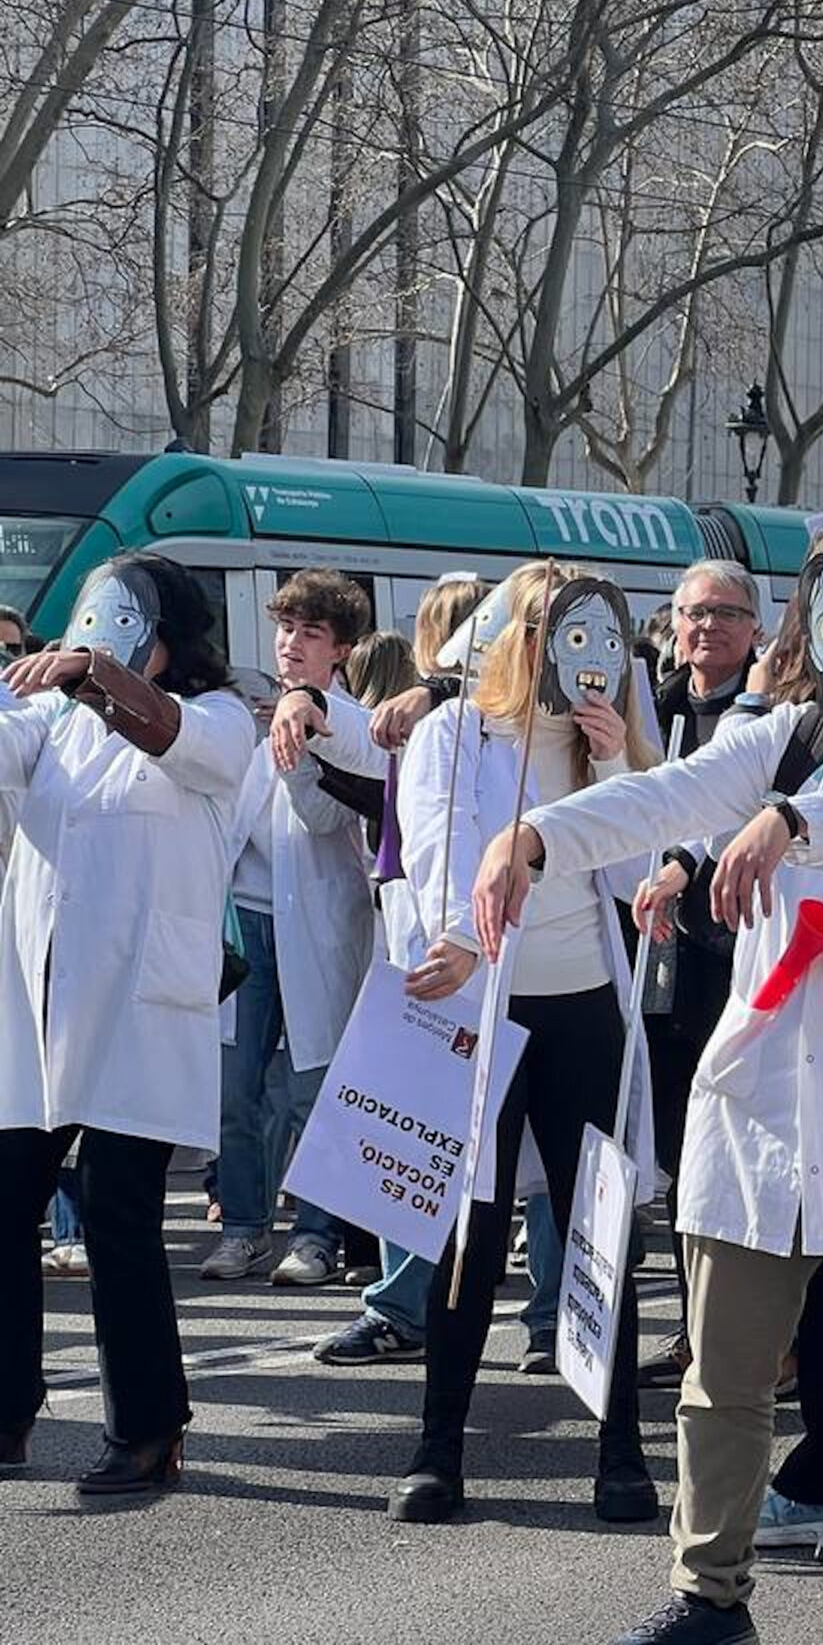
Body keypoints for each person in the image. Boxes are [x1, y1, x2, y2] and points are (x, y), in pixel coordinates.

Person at [473, 520, 823, 1645]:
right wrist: (533, 838)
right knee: (719, 1379)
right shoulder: (783, 736)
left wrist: (797, 821)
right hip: (762, 1099)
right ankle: (708, 1596)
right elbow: (663, 794)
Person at [388, 561, 662, 1527]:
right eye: (560, 634)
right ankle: (438, 1449)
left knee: (602, 1227)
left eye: (598, 638)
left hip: (584, 999)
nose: (581, 659)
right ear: (520, 638)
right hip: (486, 1007)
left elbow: (637, 880)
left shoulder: (613, 738)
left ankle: (620, 1448)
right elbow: (440, 848)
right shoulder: (455, 732)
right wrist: (458, 940)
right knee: (473, 1227)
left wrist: (622, 765)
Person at [0, 552, 256, 1491]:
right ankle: (6, 1412)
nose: (99, 635)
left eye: (121, 622)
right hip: (36, 1010)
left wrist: (92, 676)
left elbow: (178, 740)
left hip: (140, 1012)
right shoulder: (48, 724)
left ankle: (147, 1429)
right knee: (4, 1207)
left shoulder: (222, 721)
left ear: (164, 635)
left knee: (117, 1217)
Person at [286, 579, 485, 1366]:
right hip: (417, 932)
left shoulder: (492, 720)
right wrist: (306, 706)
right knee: (414, 1125)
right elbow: (360, 756)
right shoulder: (410, 720)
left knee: (445, 1129)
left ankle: (528, 1313)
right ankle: (410, 1302)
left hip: (474, 941)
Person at [204, 569, 375, 1288]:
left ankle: (316, 1235)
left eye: (311, 634)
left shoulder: (349, 725)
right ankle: (244, 1227)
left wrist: (300, 753)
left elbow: (327, 818)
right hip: (249, 927)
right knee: (234, 1091)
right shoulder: (245, 716)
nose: (292, 645)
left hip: (317, 929)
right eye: (286, 630)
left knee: (314, 1092)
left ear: (340, 650)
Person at [638, 558, 770, 1391]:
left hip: (734, 956)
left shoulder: (772, 719)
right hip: (656, 966)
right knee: (682, 1161)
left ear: (756, 627)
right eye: (695, 611)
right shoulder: (651, 707)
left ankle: (758, 1343)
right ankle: (695, 1328)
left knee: (739, 1155)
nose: (709, 626)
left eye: (727, 612)